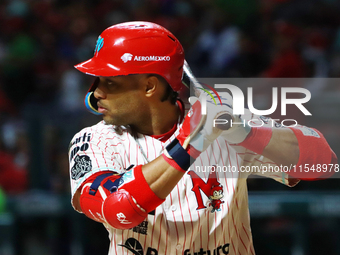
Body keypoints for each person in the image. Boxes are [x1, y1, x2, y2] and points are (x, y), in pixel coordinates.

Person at [68, 21, 337, 255]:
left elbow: (324, 162)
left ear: (149, 86)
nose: (96, 92)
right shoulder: (96, 141)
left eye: (109, 81)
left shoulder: (225, 125)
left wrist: (247, 133)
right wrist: (191, 142)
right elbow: (119, 210)